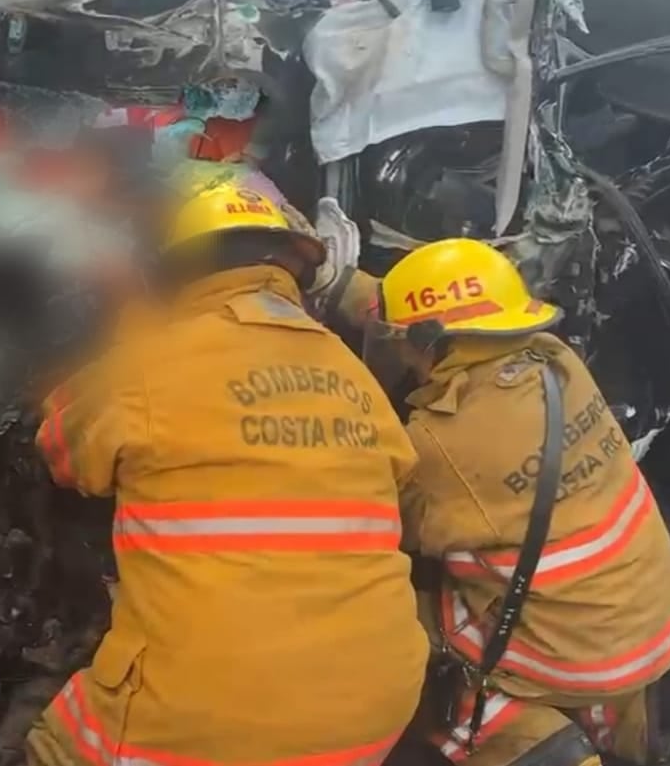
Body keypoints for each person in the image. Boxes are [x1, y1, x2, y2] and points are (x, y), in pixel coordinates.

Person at [24, 163, 429, 766]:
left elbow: (64, 455)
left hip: (206, 722)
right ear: (292, 269)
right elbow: (400, 471)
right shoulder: (355, 376)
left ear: (174, 274)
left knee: (57, 745)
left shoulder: (145, 367)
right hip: (376, 713)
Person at [357, 238, 670, 766]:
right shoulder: (558, 364)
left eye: (404, 340)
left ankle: (532, 744)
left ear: (433, 341)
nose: (401, 350)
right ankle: (658, 712)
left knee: (398, 626)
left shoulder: (443, 440)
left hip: (576, 650)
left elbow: (381, 522)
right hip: (650, 625)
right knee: (536, 587)